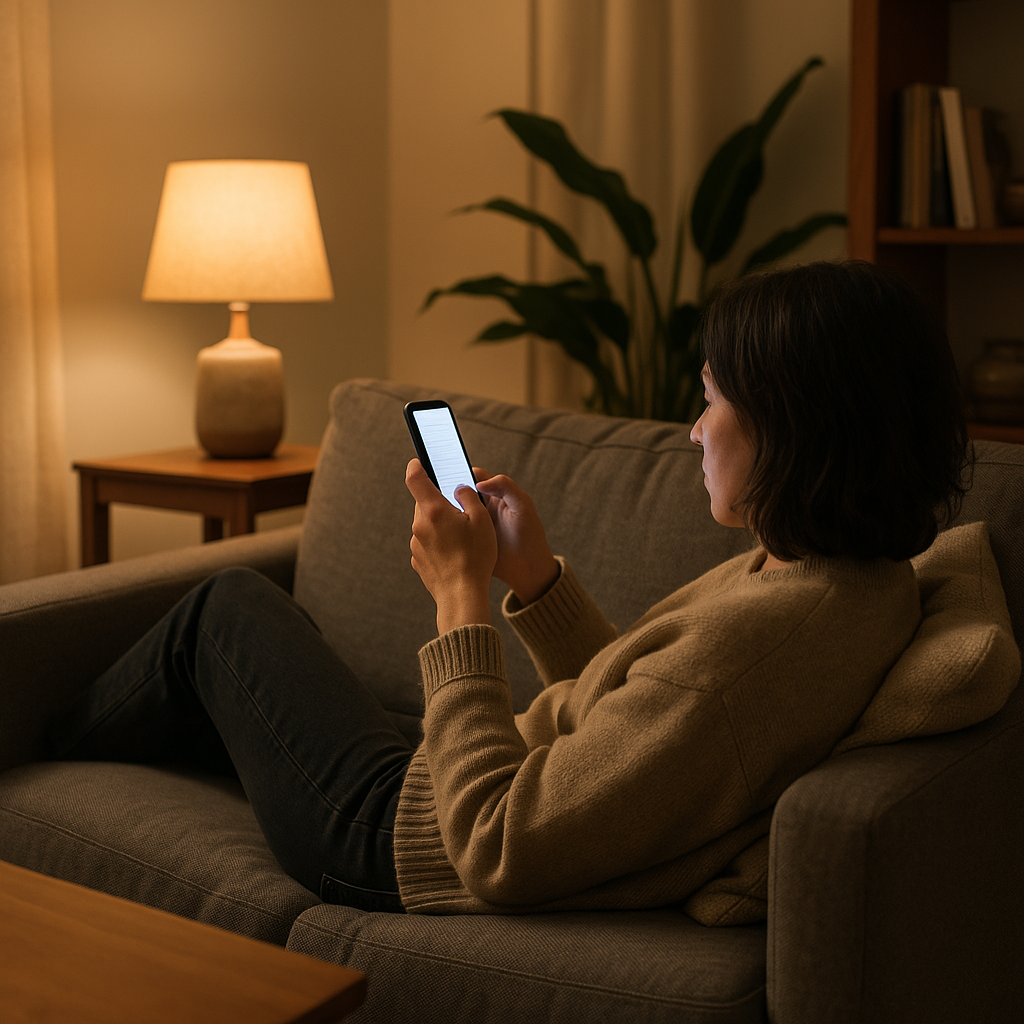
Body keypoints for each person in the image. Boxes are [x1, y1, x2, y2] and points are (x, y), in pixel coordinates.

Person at [49, 259, 982, 924]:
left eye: (710, 398)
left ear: (796, 427)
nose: (693, 431)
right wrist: (530, 577)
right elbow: (640, 722)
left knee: (225, 612)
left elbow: (498, 847)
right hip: (453, 786)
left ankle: (41, 757)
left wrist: (460, 595)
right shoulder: (840, 578)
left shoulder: (766, 645)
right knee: (241, 643)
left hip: (401, 839)